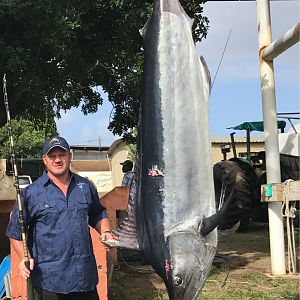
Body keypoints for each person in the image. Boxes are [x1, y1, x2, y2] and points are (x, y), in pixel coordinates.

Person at [6, 136, 116, 300]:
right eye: (52, 155)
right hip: (49, 282)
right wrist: (24, 257)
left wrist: (105, 231)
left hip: (85, 278)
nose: (57, 160)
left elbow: (97, 213)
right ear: (45, 159)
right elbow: (15, 232)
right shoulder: (30, 194)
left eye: (62, 154)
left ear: (70, 156)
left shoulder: (85, 187)